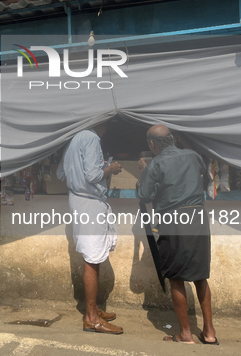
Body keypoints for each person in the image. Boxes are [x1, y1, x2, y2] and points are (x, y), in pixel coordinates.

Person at [136, 125, 218, 345]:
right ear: (172, 139)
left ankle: (185, 334)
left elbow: (144, 195)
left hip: (174, 220)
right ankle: (209, 333)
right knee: (201, 276)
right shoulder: (193, 155)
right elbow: (204, 180)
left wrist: (145, 169)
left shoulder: (155, 164)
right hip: (198, 218)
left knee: (176, 278)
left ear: (152, 144)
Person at [57, 123, 124, 334]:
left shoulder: (73, 138)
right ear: (101, 121)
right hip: (89, 203)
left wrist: (78, 179)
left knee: (92, 257)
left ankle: (93, 309)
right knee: (92, 260)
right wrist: (111, 169)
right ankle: (92, 318)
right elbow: (94, 176)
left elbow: (61, 174)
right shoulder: (92, 138)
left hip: (77, 200)